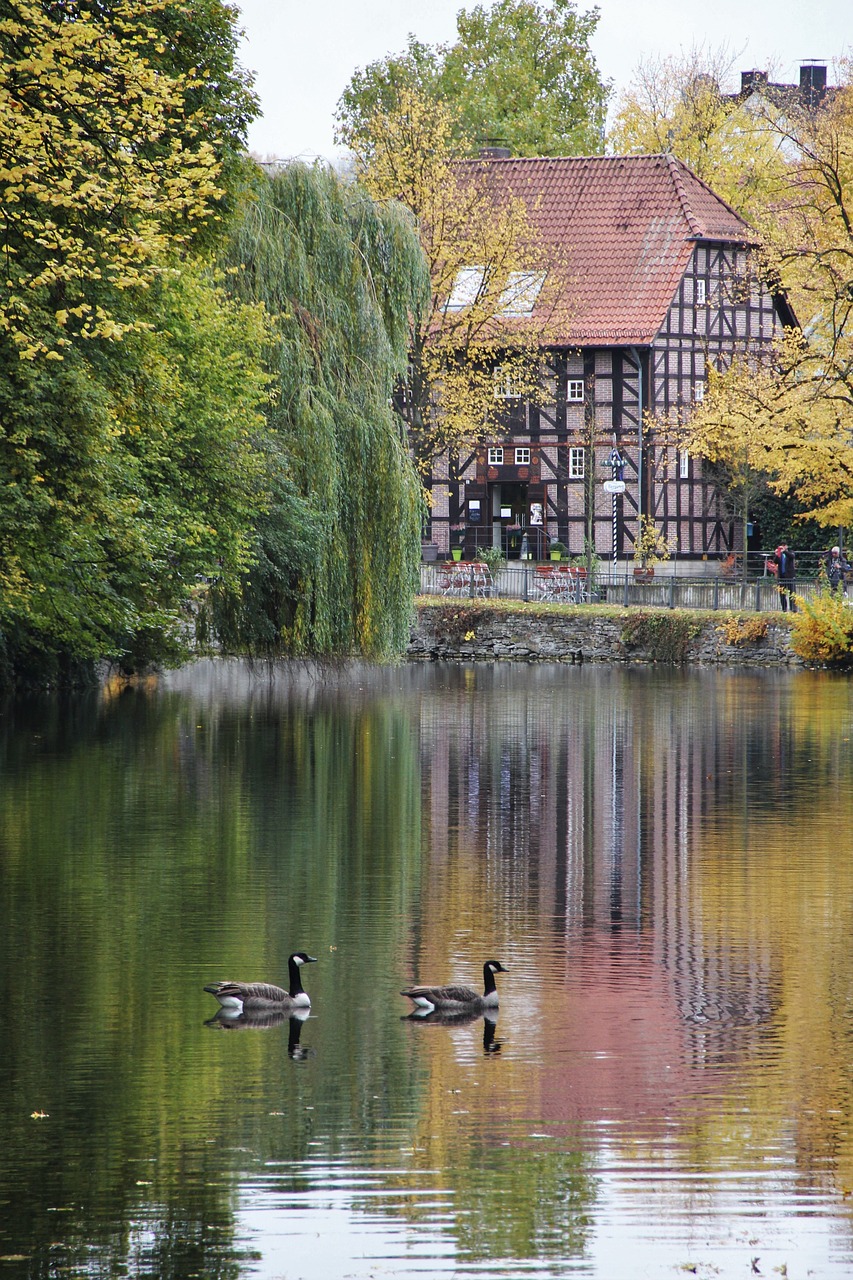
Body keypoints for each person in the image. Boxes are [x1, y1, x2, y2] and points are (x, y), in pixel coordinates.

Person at [771, 543, 797, 612]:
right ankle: (784, 609)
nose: (782, 547)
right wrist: (777, 554)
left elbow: (792, 557)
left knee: (792, 593)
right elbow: (775, 562)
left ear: (786, 546)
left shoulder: (790, 552)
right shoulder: (780, 555)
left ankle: (793, 609)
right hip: (782, 577)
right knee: (782, 594)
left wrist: (785, 551)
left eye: (784, 546)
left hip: (790, 576)